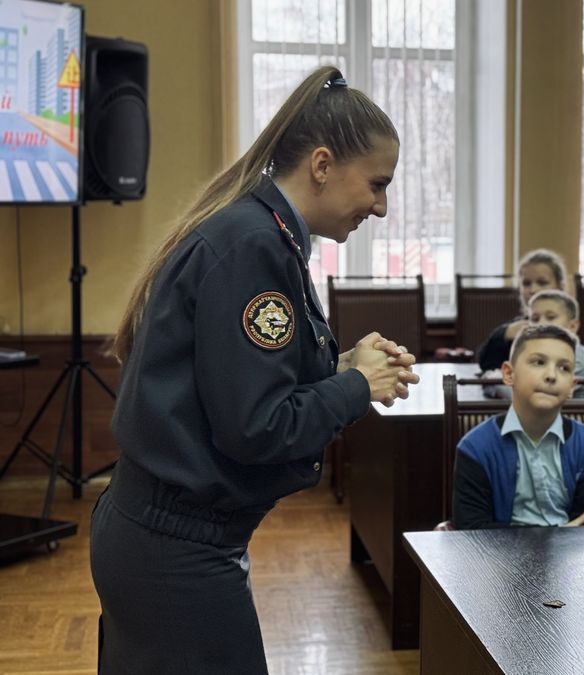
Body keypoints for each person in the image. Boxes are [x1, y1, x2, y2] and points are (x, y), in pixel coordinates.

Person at [90, 67, 420, 674]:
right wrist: (354, 386)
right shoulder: (254, 244)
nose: (380, 205)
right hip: (174, 548)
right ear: (322, 165)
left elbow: (239, 378)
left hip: (164, 538)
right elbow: (255, 427)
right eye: (377, 184)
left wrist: (343, 365)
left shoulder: (260, 231)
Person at [452, 324, 584, 529]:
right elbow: (471, 529)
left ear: (572, 386)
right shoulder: (475, 448)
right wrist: (554, 535)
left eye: (564, 368)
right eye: (539, 362)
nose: (551, 375)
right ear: (509, 374)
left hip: (571, 559)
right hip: (495, 559)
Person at [484, 289, 584, 400]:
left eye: (550, 317)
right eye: (535, 319)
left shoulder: (576, 356)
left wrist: (492, 379)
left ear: (572, 326)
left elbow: (525, 396)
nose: (540, 323)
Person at [476, 248, 569, 372]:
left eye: (542, 283)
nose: (533, 290)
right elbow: (485, 363)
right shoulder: (519, 327)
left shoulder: (568, 324)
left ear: (560, 287)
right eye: (526, 283)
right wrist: (505, 333)